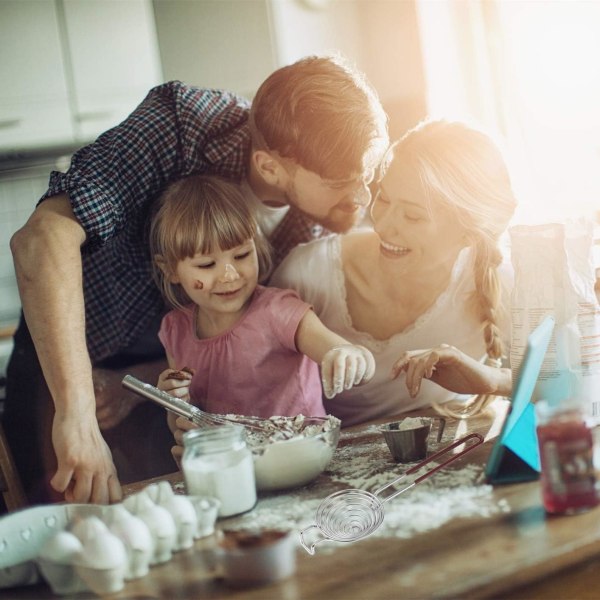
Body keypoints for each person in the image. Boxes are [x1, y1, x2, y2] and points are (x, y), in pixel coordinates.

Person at [7, 54, 389, 506]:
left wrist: (147, 383)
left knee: (180, 517)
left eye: (370, 173)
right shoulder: (182, 125)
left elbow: (241, 342)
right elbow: (41, 239)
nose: (363, 196)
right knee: (67, 519)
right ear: (269, 167)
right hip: (73, 361)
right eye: (345, 181)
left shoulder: (321, 225)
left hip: (177, 379)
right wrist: (77, 415)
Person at [271, 119, 517, 426]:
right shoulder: (308, 274)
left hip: (452, 450)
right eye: (383, 198)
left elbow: (580, 382)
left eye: (412, 216)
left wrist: (491, 381)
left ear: (468, 233)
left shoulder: (496, 279)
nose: (383, 226)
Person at [151, 175, 375, 464]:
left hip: (302, 458)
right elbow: (183, 425)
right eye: (207, 264)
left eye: (243, 254)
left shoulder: (278, 311)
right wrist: (173, 401)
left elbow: (344, 352)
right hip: (235, 467)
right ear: (170, 269)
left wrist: (348, 356)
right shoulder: (175, 330)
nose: (230, 275)